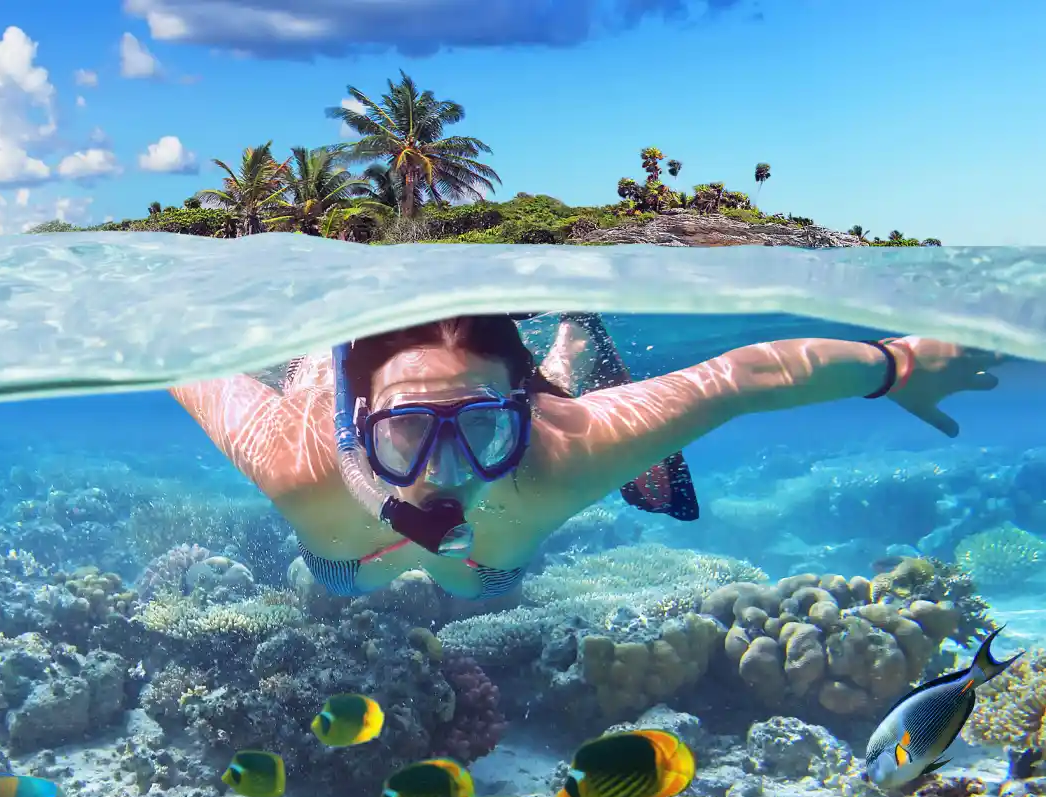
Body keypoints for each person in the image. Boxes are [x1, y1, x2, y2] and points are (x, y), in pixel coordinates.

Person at [170, 314, 1002, 601]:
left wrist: (897, 365)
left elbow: (741, 378)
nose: (445, 472)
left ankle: (568, 349)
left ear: (518, 414)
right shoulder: (296, 459)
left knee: (474, 578)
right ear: (356, 424)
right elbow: (177, 358)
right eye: (407, 431)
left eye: (486, 430)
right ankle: (568, 350)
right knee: (348, 573)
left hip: (493, 553)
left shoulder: (559, 452)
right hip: (351, 547)